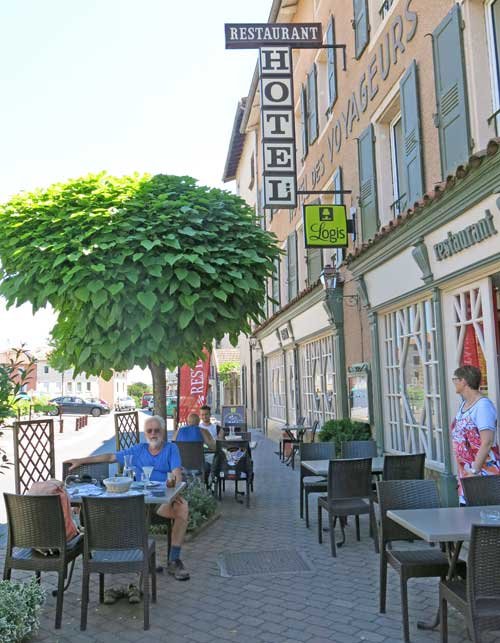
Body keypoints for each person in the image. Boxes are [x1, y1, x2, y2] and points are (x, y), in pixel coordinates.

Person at [64, 415, 190, 580]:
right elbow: (110, 457)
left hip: (161, 502)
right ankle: (139, 559)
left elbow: (177, 475)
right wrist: (81, 460)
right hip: (137, 503)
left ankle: (174, 560)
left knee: (182, 508)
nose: (153, 434)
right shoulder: (138, 450)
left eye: (157, 430)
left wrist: (174, 495)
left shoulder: (171, 449)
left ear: (163, 432)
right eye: (149, 431)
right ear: (145, 434)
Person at [451, 365, 500, 505]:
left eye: (456, 379)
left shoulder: (483, 406)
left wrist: (474, 470)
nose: (454, 382)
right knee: (466, 520)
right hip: (466, 475)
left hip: (482, 475)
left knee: (482, 518)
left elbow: (487, 442)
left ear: (464, 381)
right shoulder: (464, 405)